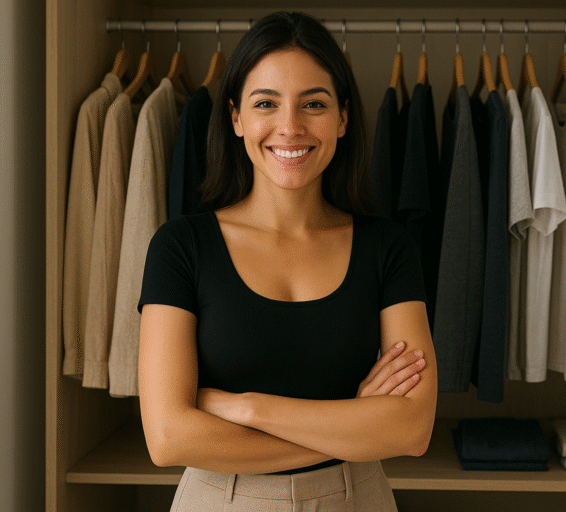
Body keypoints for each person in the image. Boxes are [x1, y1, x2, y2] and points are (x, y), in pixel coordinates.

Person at [137, 11, 437, 512]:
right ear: (236, 117)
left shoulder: (388, 248)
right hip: (220, 499)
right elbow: (169, 438)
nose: (290, 127)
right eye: (266, 103)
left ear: (343, 117)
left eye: (313, 104)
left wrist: (245, 407)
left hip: (356, 500)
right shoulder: (180, 246)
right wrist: (352, 426)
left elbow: (411, 428)